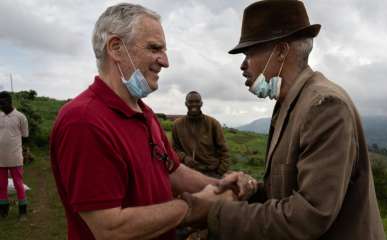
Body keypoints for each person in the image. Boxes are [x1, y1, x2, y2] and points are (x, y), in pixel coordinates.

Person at [184, 1, 386, 239]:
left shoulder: (324, 106)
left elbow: (309, 216)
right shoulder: (289, 104)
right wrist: (251, 190)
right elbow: (290, 191)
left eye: (250, 53)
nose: (242, 65)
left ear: (281, 52)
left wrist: (216, 214)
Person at [50, 3, 250, 240]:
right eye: (155, 48)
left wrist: (220, 185)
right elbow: (109, 228)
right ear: (116, 48)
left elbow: (172, 172)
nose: (165, 62)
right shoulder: (84, 121)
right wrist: (193, 206)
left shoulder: (144, 114)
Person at [172, 91, 230, 178]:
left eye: (197, 101)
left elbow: (224, 150)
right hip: (187, 172)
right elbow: (174, 148)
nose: (194, 104)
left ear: (201, 103)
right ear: (186, 103)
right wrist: (184, 158)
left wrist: (219, 172)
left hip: (211, 172)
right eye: (191, 102)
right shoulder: (177, 124)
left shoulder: (212, 123)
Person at [0, 91, 29, 219]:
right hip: (0, 158)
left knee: (18, 184)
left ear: (10, 102)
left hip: (15, 157)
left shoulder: (20, 117)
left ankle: (23, 211)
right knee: (1, 185)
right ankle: (3, 211)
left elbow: (25, 135)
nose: (2, 105)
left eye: (3, 102)